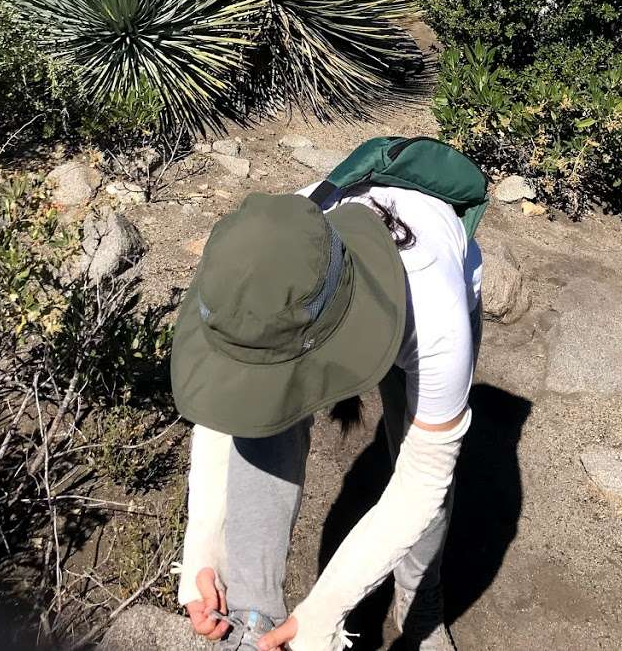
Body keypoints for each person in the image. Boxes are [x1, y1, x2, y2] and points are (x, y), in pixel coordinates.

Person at [170, 165, 484, 651]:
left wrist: (325, 609)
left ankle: (421, 602)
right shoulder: (245, 269)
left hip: (412, 312)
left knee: (414, 459)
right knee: (260, 422)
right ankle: (254, 618)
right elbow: (225, 409)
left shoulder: (436, 317)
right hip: (312, 318)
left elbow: (423, 480)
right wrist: (204, 548)